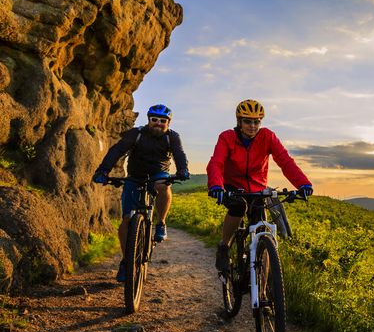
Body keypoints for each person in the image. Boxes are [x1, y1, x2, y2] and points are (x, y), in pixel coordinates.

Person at [206, 99, 313, 274]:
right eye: (248, 121)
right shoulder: (227, 137)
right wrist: (217, 186)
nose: (252, 126)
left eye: (257, 121)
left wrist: (303, 184)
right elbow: (216, 163)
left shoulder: (267, 137)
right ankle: (224, 246)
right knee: (238, 206)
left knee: (262, 232)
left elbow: (285, 162)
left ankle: (262, 292)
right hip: (232, 185)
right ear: (239, 122)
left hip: (257, 189)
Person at [92, 104, 190, 282]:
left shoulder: (172, 137)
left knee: (163, 186)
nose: (158, 124)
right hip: (135, 176)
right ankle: (126, 260)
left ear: (168, 122)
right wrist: (103, 171)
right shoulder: (136, 134)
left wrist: (183, 169)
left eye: (163, 121)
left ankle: (161, 222)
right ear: (148, 120)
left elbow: (179, 154)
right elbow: (117, 150)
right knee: (127, 219)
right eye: (155, 120)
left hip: (158, 174)